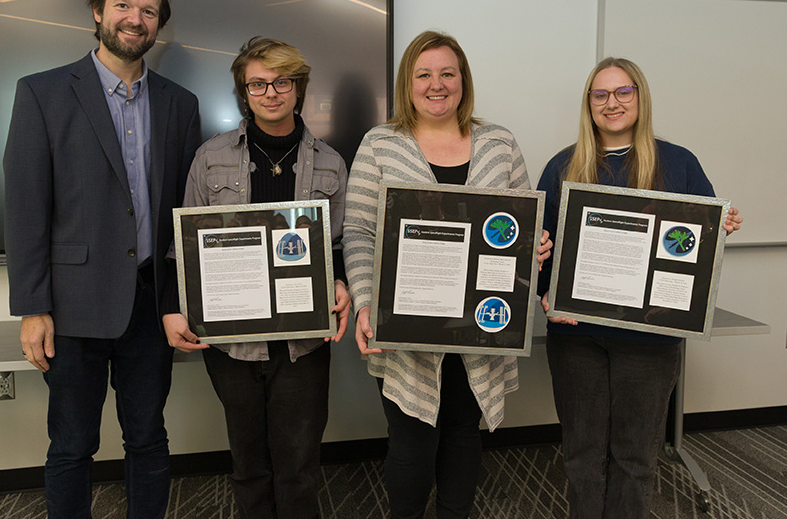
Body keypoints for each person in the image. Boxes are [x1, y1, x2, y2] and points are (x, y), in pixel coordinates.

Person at [4, 0, 201, 518]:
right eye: (123, 5)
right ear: (98, 12)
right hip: (72, 306)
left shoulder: (180, 104)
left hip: (151, 305)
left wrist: (181, 299)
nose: (135, 19)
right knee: (71, 446)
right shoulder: (41, 92)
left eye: (148, 10)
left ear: (158, 24)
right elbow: (25, 209)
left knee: (148, 438)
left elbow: (185, 215)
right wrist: (33, 308)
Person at [343, 30, 551, 519]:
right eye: (424, 74)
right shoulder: (380, 144)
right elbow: (359, 231)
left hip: (482, 322)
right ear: (408, 83)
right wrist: (366, 301)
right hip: (407, 327)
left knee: (461, 435)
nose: (436, 85)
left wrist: (534, 246)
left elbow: (523, 223)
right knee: (411, 443)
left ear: (463, 81)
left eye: (447, 74)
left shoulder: (499, 144)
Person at [536, 57, 743, 519]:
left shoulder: (679, 163)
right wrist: (546, 293)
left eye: (623, 91)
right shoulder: (563, 165)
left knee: (635, 458)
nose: (612, 102)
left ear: (640, 96)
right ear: (589, 103)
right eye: (600, 94)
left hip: (649, 339)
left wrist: (717, 229)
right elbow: (541, 246)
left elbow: (694, 242)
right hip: (576, 336)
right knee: (582, 456)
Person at [162, 36, 350, 519]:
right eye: (258, 84)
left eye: (282, 82)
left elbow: (341, 245)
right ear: (243, 93)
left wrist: (342, 283)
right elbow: (183, 247)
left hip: (302, 342)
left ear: (299, 87)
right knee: (249, 466)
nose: (270, 93)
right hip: (232, 343)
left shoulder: (331, 163)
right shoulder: (210, 158)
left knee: (299, 468)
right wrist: (172, 308)